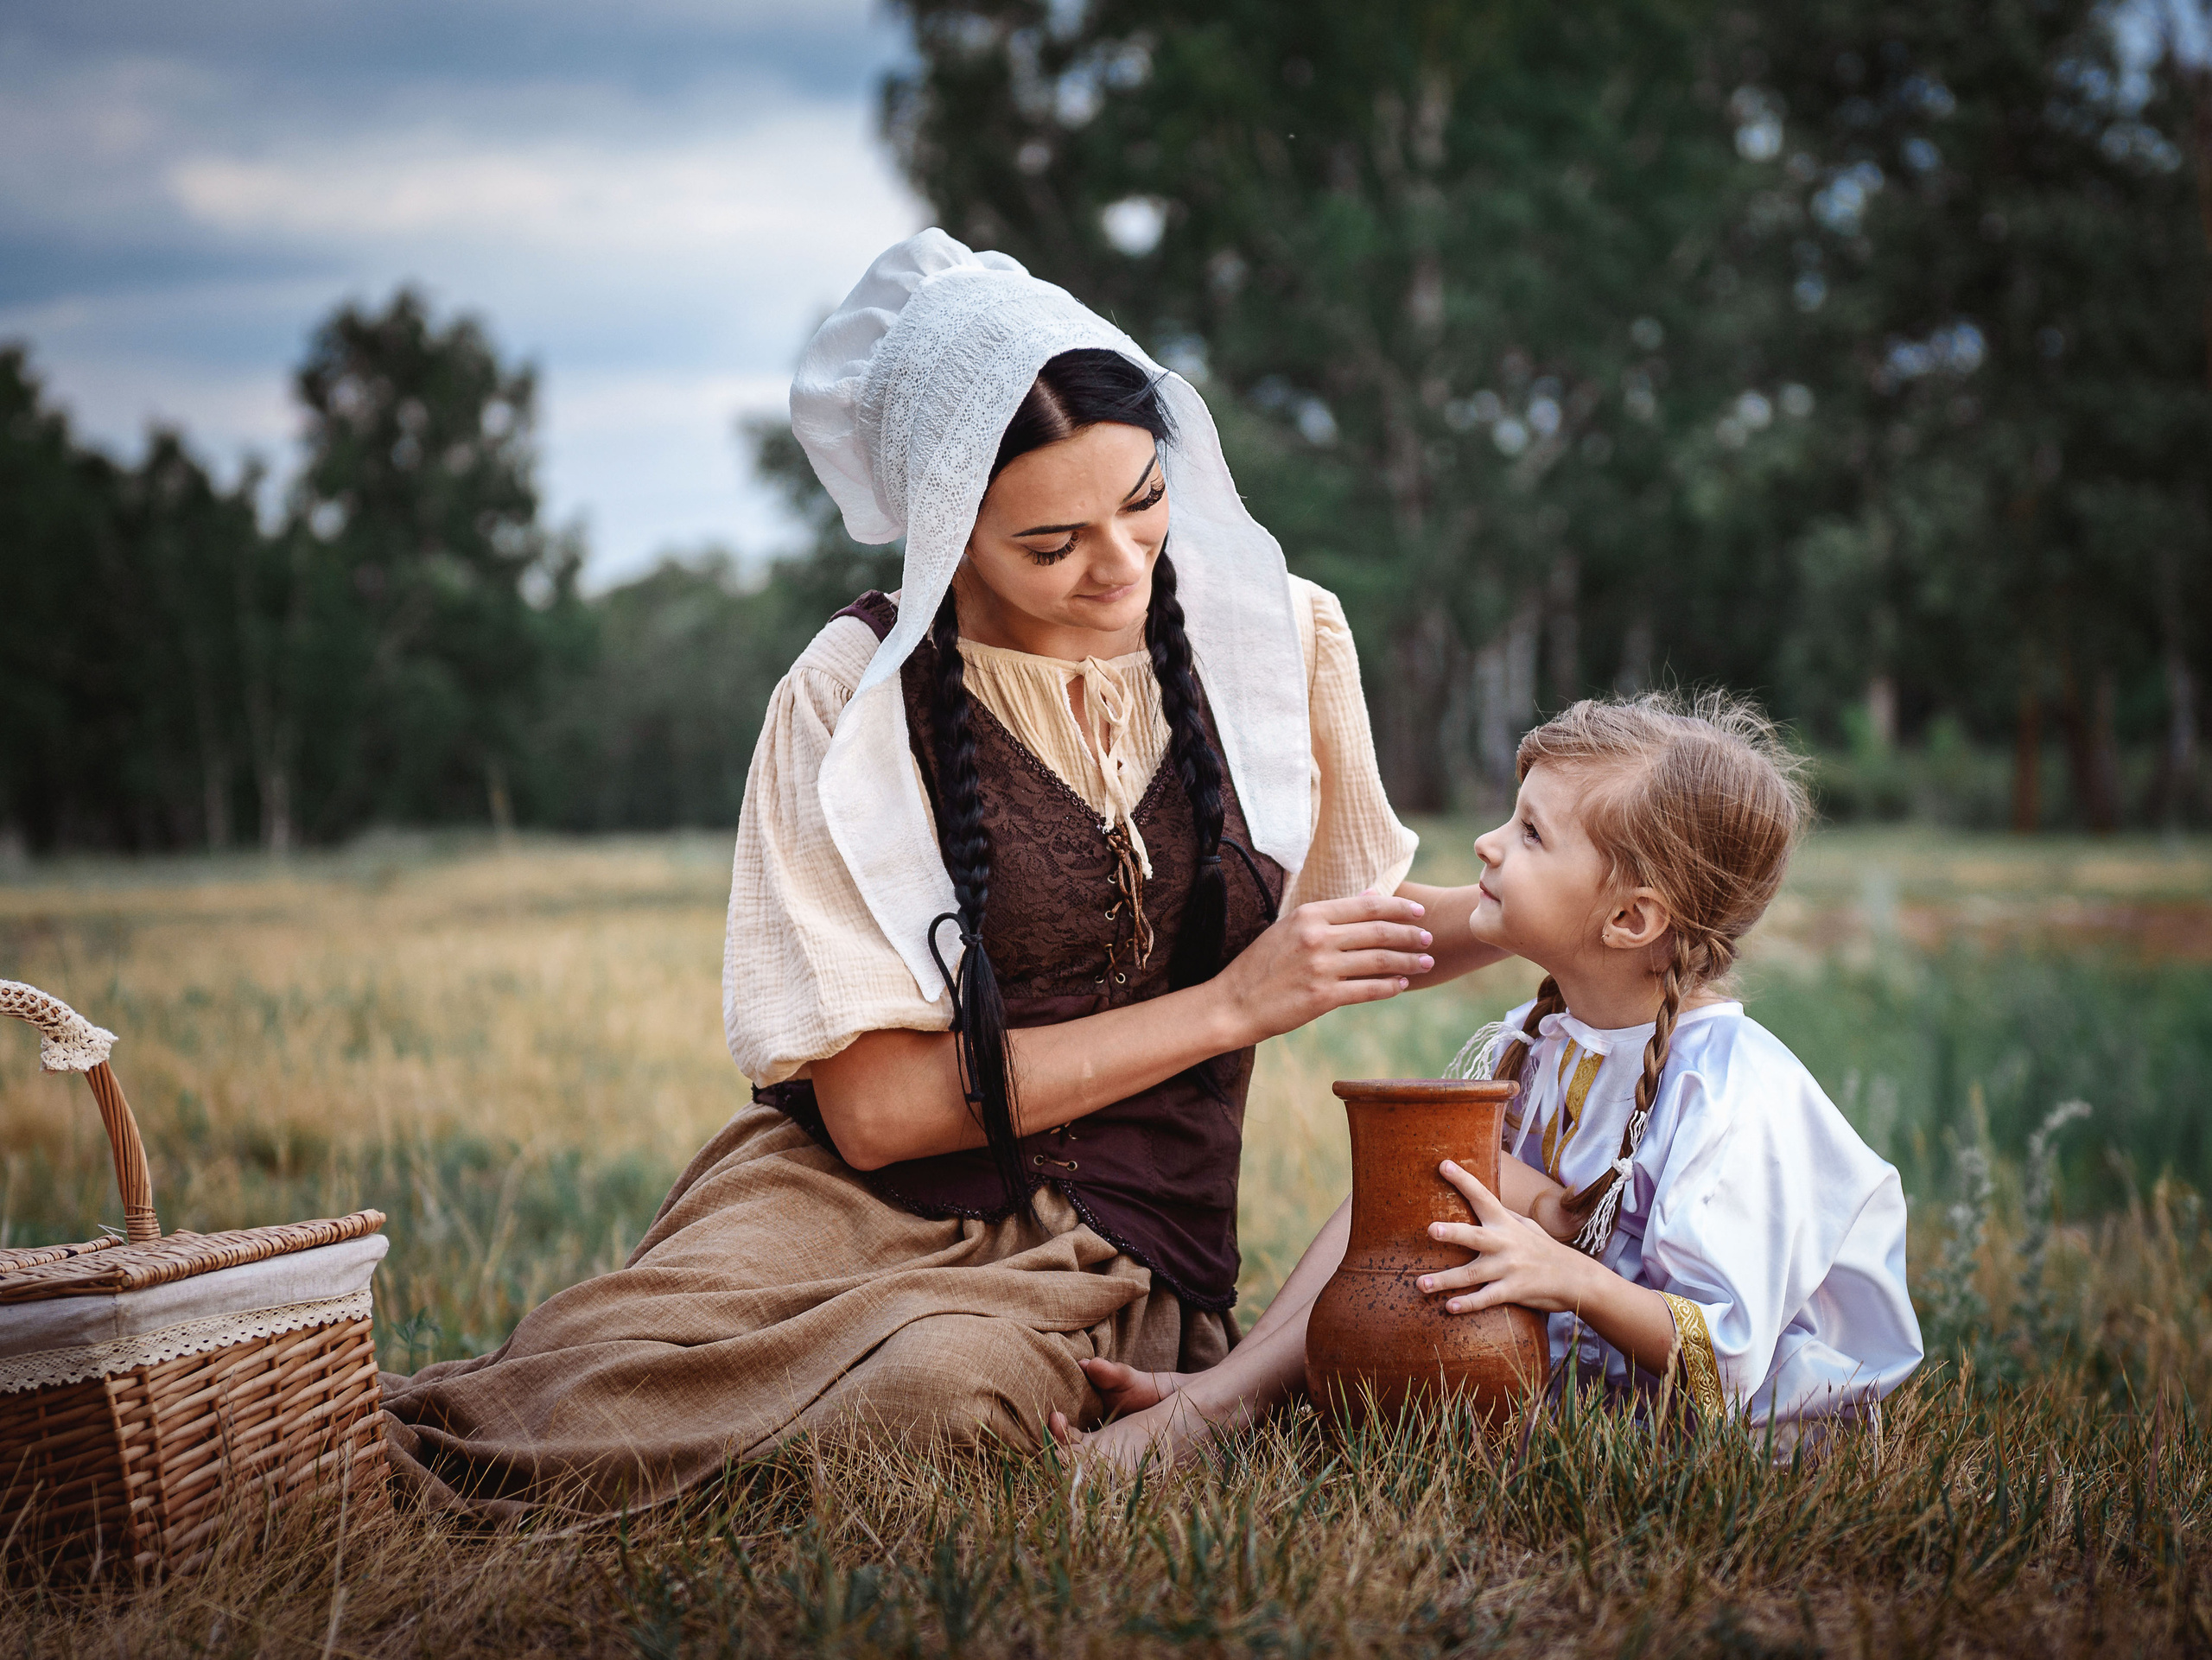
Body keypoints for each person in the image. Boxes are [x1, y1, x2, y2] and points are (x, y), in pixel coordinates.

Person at [377, 229, 1506, 1514]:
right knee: (578, 1377)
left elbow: (1344, 930)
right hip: (841, 1198)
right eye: (1053, 543)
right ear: (947, 532)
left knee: (933, 1402)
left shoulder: (1275, 637)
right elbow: (876, 1115)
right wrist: (1229, 1007)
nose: (1122, 564)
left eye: (1143, 500)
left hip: (1117, 1237)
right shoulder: (846, 697)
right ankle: (313, 1452)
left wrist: (1532, 913)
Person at [1058, 692, 1923, 1469]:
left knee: (1434, 1178)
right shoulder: (1543, 1035)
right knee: (1412, 1175)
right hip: (1585, 1395)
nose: (1488, 842)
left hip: (1739, 1430)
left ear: (1630, 918)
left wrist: (1566, 1274)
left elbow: (1724, 1357)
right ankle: (1227, 1393)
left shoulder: (1731, 1093)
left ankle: (1218, 1409)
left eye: (1531, 834)